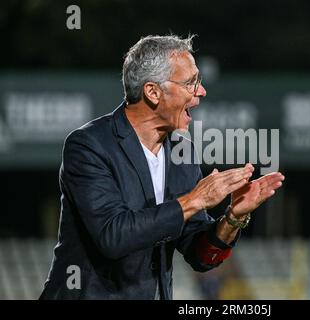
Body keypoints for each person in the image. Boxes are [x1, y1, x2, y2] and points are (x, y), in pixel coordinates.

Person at [39, 35, 284, 300]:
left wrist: (233, 217)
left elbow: (199, 256)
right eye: (191, 82)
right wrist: (195, 199)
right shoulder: (89, 145)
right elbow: (114, 236)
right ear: (153, 92)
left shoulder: (182, 152)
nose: (201, 91)